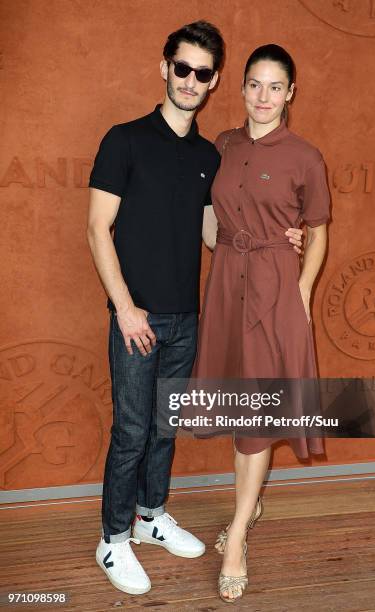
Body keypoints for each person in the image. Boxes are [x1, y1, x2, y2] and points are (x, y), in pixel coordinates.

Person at [87, 21, 303, 596]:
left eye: (203, 73)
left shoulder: (211, 155)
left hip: (188, 316)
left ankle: (151, 515)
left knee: (164, 427)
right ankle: (113, 538)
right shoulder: (124, 139)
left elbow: (217, 230)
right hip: (137, 315)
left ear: (212, 83)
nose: (190, 80)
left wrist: (282, 239)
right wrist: (126, 309)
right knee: (132, 430)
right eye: (181, 68)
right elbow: (97, 228)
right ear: (165, 69)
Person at [194, 44, 331, 603]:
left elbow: (318, 231)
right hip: (228, 282)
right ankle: (249, 505)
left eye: (276, 86)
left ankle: (237, 540)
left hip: (276, 290)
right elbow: (210, 220)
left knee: (256, 413)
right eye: (255, 84)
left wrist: (300, 288)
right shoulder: (223, 145)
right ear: (242, 87)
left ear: (291, 93)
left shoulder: (306, 156)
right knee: (236, 404)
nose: (264, 96)